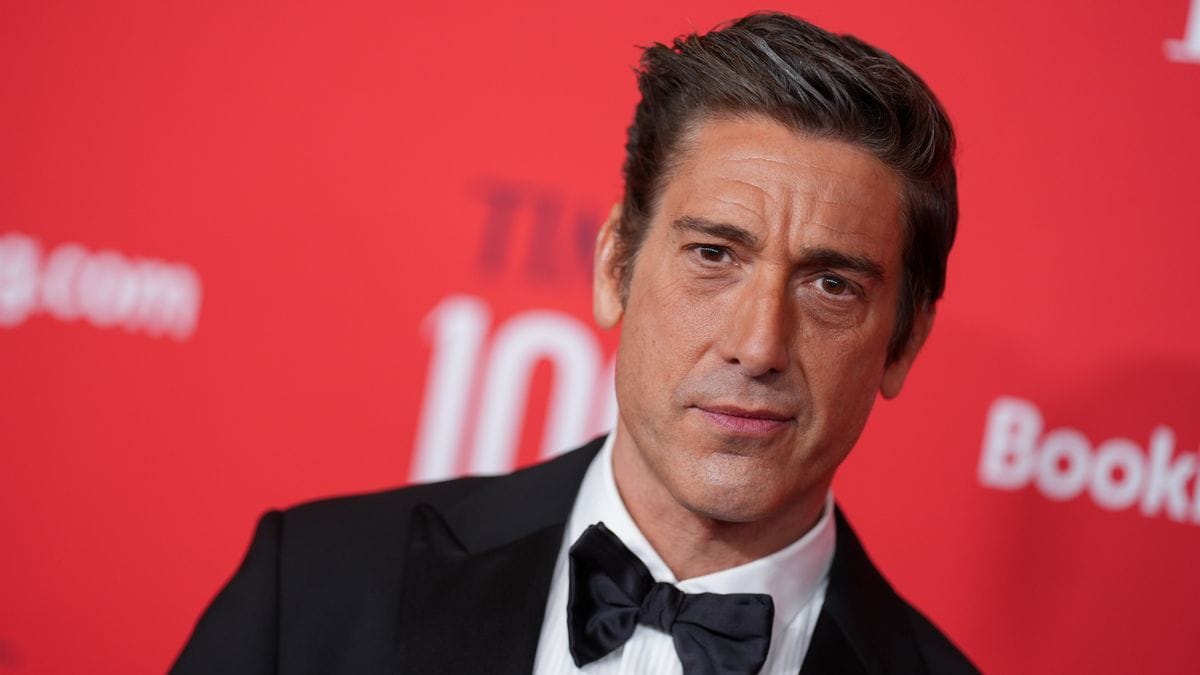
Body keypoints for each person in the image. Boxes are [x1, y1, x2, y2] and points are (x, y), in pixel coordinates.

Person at [173, 12, 977, 674]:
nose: (759, 344)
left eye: (831, 284)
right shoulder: (316, 586)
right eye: (713, 254)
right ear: (615, 266)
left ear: (904, 342)